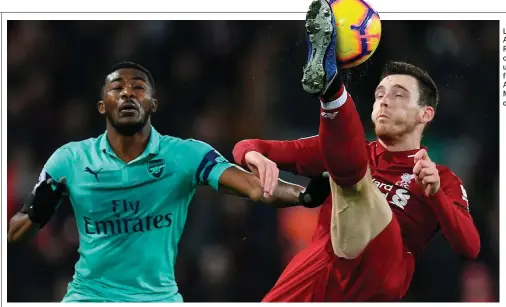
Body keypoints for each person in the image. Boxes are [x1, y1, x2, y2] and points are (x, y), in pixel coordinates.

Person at [7, 62, 329, 302]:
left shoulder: (184, 156)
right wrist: (36, 213)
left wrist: (304, 196)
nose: (128, 94)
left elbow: (254, 187)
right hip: (89, 297)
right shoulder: (70, 160)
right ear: (102, 105)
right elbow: (15, 233)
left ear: (153, 104)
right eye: (117, 88)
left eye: (138, 88)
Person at [233, 0, 480, 302]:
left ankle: (331, 87)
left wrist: (437, 196)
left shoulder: (440, 177)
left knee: (354, 183)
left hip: (383, 268)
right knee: (348, 170)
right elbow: (249, 145)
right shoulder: (346, 147)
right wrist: (251, 155)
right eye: (379, 95)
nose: (384, 101)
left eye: (398, 95)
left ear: (425, 114)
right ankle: (330, 84)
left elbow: (470, 247)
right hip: (321, 266)